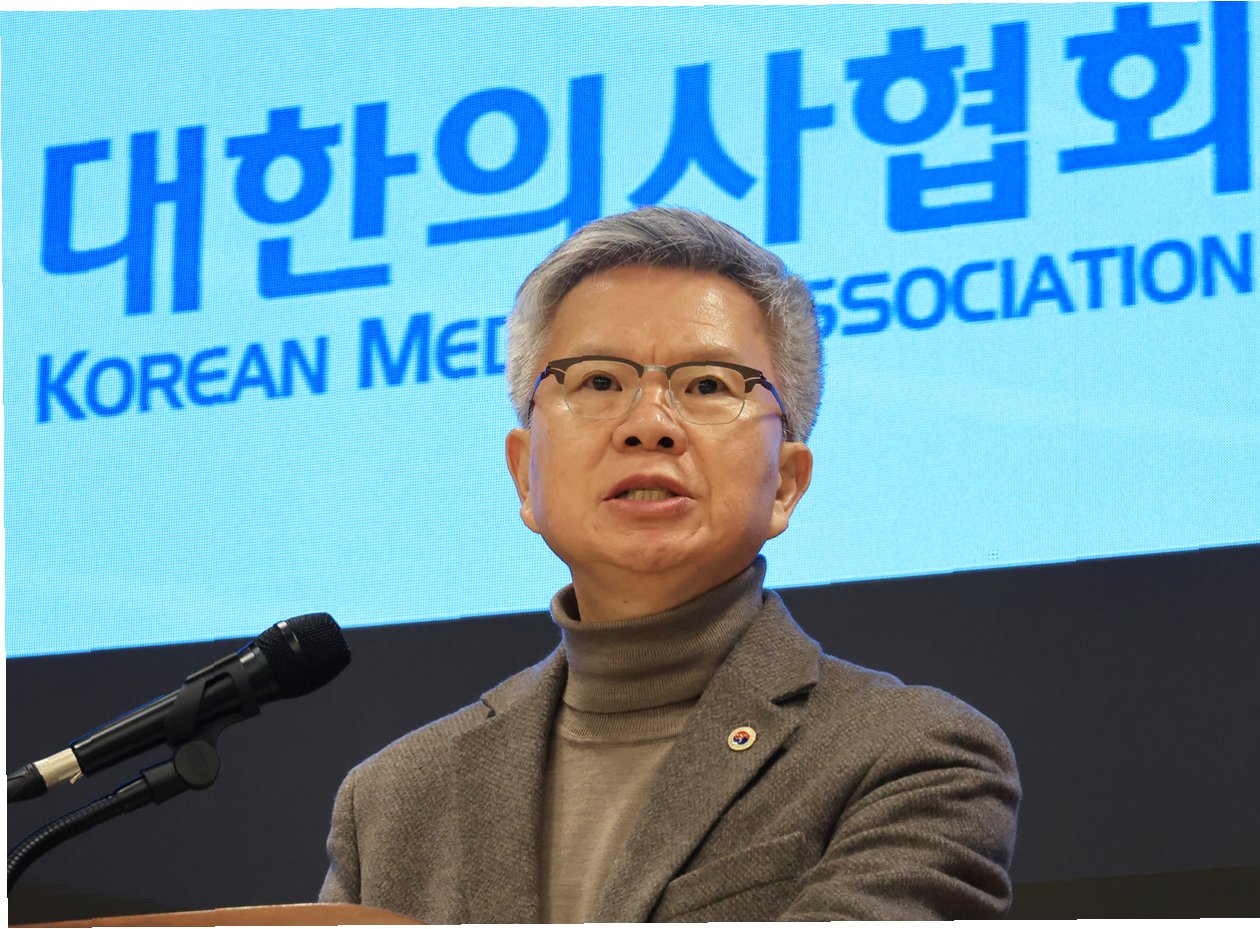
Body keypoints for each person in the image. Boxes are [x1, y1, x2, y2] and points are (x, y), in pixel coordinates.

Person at [320, 207, 1020, 921]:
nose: (648, 425)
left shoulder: (909, 756)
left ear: (785, 483)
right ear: (525, 474)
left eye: (708, 385)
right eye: (597, 382)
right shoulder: (393, 803)